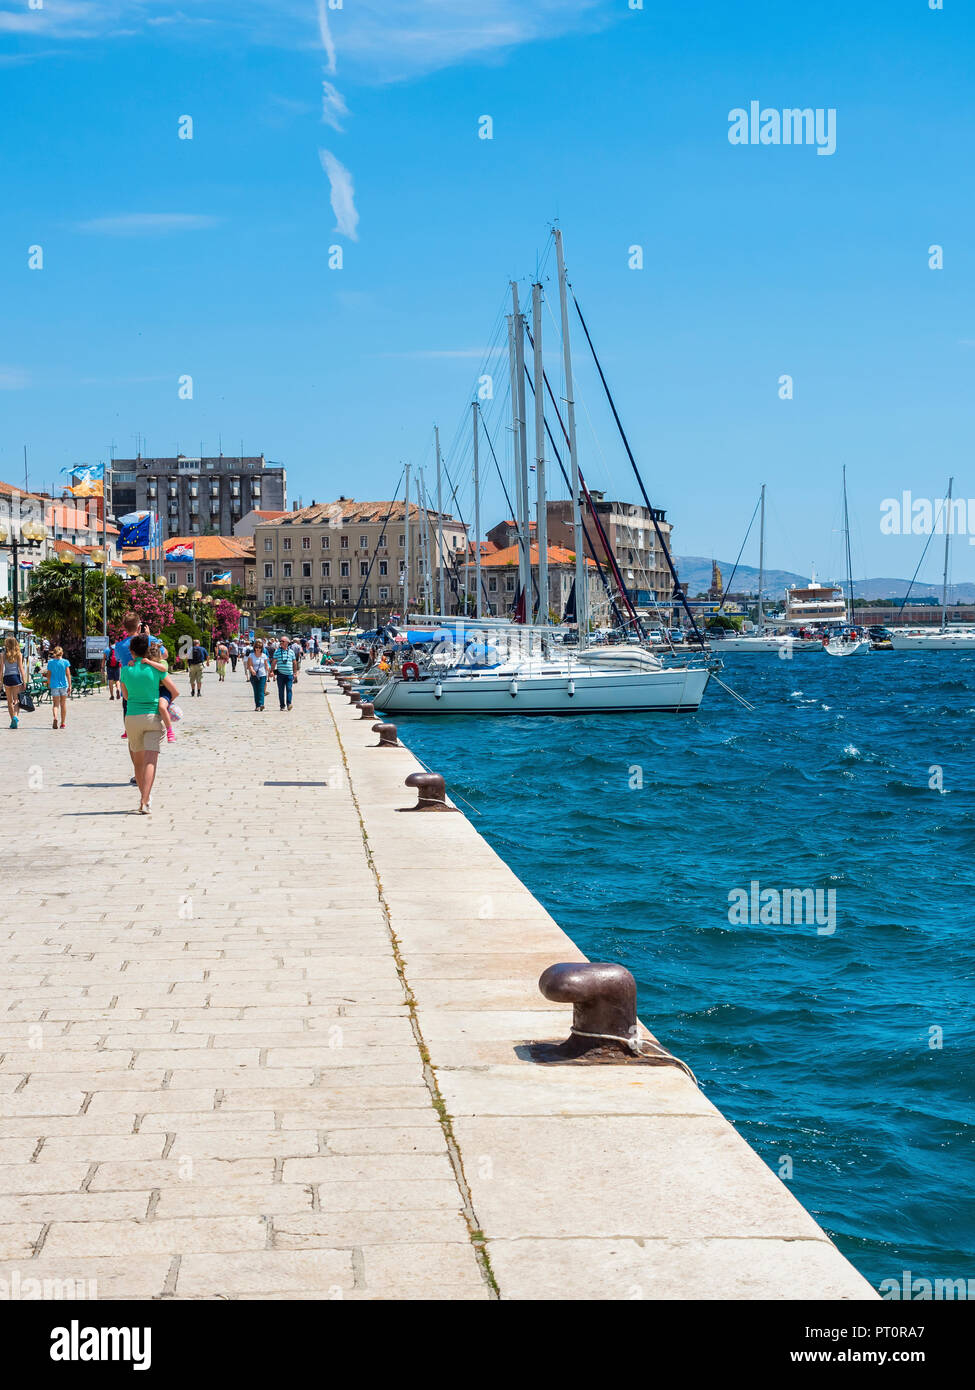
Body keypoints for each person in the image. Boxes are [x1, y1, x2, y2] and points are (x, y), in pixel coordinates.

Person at [120, 634, 175, 814]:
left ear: (131, 652)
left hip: (132, 717)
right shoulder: (157, 669)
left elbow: (126, 696)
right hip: (152, 716)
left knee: (137, 763)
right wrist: (166, 703)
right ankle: (144, 800)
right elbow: (174, 691)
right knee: (151, 761)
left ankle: (144, 796)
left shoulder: (125, 670)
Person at [146, 639, 178, 743]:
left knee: (161, 707)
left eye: (156, 661)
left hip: (164, 689)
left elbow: (163, 669)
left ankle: (170, 731)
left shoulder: (163, 662)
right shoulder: (148, 662)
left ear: (160, 657)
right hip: (153, 689)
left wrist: (150, 662)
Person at [3, 636, 27, 730]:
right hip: (16, 678)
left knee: (9, 702)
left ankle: (12, 720)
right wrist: (24, 681)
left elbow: (1, 670)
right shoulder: (18, 654)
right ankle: (16, 717)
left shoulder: (3, 655)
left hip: (6, 678)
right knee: (16, 700)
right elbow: (21, 669)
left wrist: (1, 682)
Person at [45, 646, 72, 729]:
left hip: (54, 685)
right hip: (64, 685)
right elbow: (68, 674)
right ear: (62, 653)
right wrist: (70, 685)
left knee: (55, 704)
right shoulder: (65, 662)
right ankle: (63, 723)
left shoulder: (50, 663)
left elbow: (48, 675)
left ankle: (55, 717)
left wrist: (48, 683)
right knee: (63, 704)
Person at [270, 635, 295, 711]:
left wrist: (295, 673)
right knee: (281, 690)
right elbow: (274, 662)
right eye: (280, 641)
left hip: (289, 674)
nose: (280, 642)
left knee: (289, 689)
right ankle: (282, 705)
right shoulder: (277, 651)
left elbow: (294, 662)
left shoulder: (291, 652)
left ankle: (289, 704)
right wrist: (271, 671)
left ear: (287, 642)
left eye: (282, 641)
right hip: (280, 674)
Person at [246, 638, 270, 711]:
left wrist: (269, 670)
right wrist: (252, 670)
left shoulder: (264, 656)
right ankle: (257, 706)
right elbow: (249, 665)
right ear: (254, 647)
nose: (258, 649)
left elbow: (266, 665)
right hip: (254, 675)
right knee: (256, 691)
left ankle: (261, 705)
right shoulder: (251, 655)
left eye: (259, 648)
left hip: (262, 675)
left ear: (261, 648)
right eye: (256, 647)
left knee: (261, 690)